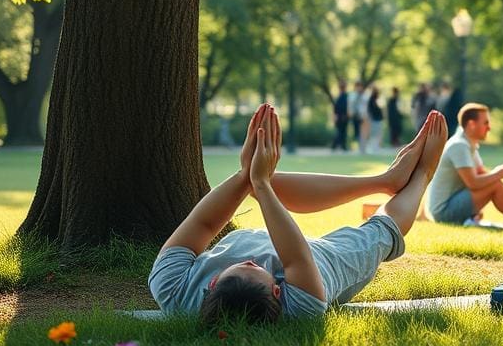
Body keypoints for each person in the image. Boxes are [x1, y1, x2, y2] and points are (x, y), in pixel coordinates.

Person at [149, 105, 448, 323]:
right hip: (321, 264)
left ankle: (385, 181)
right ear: (279, 292)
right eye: (255, 269)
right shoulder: (303, 306)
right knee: (384, 231)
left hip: (293, 256)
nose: (249, 261)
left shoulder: (172, 289)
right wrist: (262, 184)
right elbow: (296, 258)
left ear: (210, 285)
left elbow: (204, 223)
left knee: (254, 180)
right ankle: (423, 173)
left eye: (237, 266)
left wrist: (246, 176)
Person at [426, 102, 503, 227]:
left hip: (451, 204)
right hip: (444, 212)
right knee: (495, 184)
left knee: (496, 183)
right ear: (471, 124)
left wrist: (497, 175)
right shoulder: (459, 146)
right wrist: (498, 173)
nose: (489, 128)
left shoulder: (469, 143)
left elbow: (482, 174)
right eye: (486, 123)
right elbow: (474, 183)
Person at [331, 80, 349, 152]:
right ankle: (336, 145)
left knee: (342, 132)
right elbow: (337, 108)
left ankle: (342, 146)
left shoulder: (342, 97)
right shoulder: (342, 97)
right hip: (341, 117)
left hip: (342, 117)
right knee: (341, 132)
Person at [367, 85, 385, 153]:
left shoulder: (378, 98)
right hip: (374, 119)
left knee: (378, 134)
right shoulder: (371, 99)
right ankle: (373, 147)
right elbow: (369, 110)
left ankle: (377, 147)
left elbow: (381, 108)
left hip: (379, 119)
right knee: (374, 134)